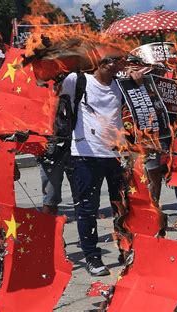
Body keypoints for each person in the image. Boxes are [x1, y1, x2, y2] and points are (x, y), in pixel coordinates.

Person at [61, 54, 132, 276]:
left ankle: (125, 249)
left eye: (121, 62)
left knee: (121, 206)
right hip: (86, 154)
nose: (118, 66)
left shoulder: (121, 85)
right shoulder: (77, 80)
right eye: (115, 62)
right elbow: (51, 85)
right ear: (101, 63)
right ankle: (92, 257)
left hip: (116, 156)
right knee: (87, 209)